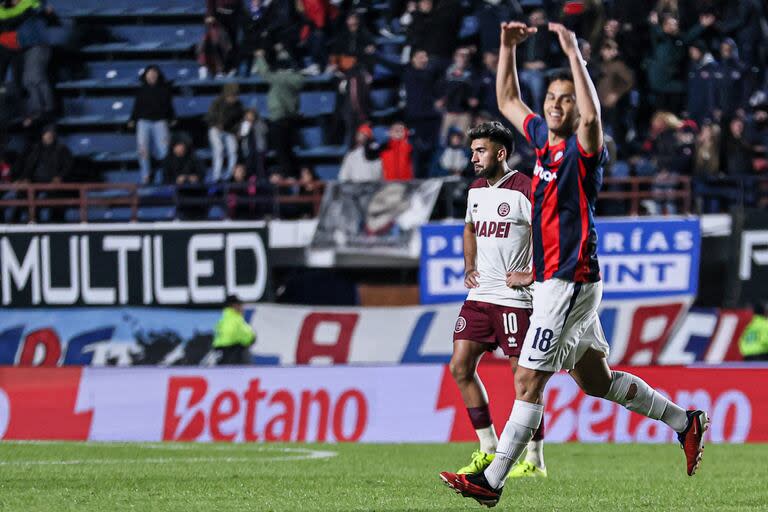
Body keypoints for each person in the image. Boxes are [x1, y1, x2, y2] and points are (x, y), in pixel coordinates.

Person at [439, 21, 708, 507]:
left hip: (567, 281)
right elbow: (506, 100)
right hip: (557, 284)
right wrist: (506, 47)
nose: (556, 105)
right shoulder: (543, 140)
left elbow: (592, 116)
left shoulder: (585, 151)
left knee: (527, 378)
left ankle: (492, 480)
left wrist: (572, 54)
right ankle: (684, 421)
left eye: (565, 99)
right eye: (552, 98)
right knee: (595, 380)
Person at [448, 121, 547, 481]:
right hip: (480, 296)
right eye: (472, 150)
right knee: (460, 366)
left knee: (524, 379)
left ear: (500, 153)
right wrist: (469, 265)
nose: (473, 157)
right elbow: (470, 227)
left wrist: (531, 273)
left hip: (515, 299)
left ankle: (534, 459)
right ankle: (488, 447)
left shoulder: (525, 188)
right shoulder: (476, 190)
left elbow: (545, 231)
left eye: (480, 150)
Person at [129, 65, 175, 185]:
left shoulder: (165, 89)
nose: (152, 75)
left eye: (154, 73)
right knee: (142, 149)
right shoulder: (141, 90)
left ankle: (166, 174)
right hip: (143, 122)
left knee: (164, 150)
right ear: (145, 76)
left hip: (160, 121)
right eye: (150, 73)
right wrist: (132, 119)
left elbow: (169, 106)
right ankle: (146, 175)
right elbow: (136, 107)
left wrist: (172, 117)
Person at [207, 82, 244, 181]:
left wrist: (238, 131)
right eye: (232, 95)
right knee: (219, 149)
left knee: (233, 150)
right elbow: (209, 117)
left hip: (229, 130)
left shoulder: (238, 105)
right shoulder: (217, 102)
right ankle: (216, 176)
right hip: (215, 129)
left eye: (235, 95)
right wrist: (216, 123)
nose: (233, 98)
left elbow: (239, 121)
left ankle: (229, 175)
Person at [213, 295, 256, 365]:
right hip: (236, 359)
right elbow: (249, 337)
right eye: (241, 305)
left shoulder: (220, 320)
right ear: (235, 306)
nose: (243, 308)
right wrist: (253, 336)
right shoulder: (236, 319)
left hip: (221, 359)